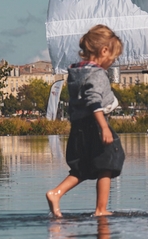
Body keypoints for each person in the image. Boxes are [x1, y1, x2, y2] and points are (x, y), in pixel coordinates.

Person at [47, 25, 125, 218]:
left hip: (78, 127)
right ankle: (101, 209)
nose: (112, 62)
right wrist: (104, 126)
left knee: (83, 167)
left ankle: (56, 193)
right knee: (108, 163)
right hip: (95, 124)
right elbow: (93, 100)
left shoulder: (75, 73)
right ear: (103, 50)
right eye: (113, 57)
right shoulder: (97, 74)